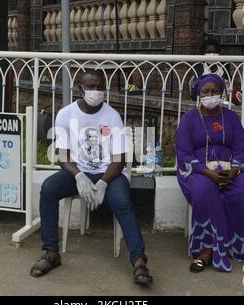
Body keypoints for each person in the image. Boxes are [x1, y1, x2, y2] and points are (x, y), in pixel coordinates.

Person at [30, 70, 153, 285]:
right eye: (91, 87)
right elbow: (63, 156)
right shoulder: (66, 114)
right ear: (81, 89)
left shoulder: (112, 115)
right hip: (79, 171)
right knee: (48, 189)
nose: (96, 92)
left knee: (122, 203)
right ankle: (51, 253)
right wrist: (78, 176)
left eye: (100, 87)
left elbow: (119, 159)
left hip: (110, 173)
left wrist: (104, 182)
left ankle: (139, 261)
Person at [176, 73, 244, 273]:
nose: (210, 95)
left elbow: (242, 148)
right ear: (198, 94)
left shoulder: (230, 117)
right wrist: (209, 173)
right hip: (198, 171)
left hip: (229, 170)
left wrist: (233, 171)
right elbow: (183, 153)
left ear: (222, 93)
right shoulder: (189, 119)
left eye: (214, 91)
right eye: (205, 91)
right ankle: (206, 250)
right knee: (205, 192)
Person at [190, 39, 242, 106]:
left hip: (224, 105)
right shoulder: (198, 70)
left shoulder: (224, 69)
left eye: (215, 52)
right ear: (203, 53)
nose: (212, 54)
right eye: (208, 52)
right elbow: (194, 95)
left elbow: (230, 88)